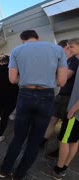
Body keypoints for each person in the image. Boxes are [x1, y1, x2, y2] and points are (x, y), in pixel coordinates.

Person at [0, 30, 68, 179]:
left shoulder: (17, 50)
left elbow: (12, 79)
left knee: (18, 137)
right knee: (35, 140)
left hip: (25, 95)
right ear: (38, 37)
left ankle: (4, 170)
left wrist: (27, 78)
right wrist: (47, 80)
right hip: (46, 96)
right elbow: (62, 82)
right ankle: (20, 174)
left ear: (22, 40)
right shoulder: (58, 50)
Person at [45, 38, 79, 180]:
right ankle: (63, 167)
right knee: (74, 140)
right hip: (75, 109)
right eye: (68, 47)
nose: (69, 49)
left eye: (71, 47)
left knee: (65, 140)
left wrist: (73, 110)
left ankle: (59, 169)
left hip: (75, 111)